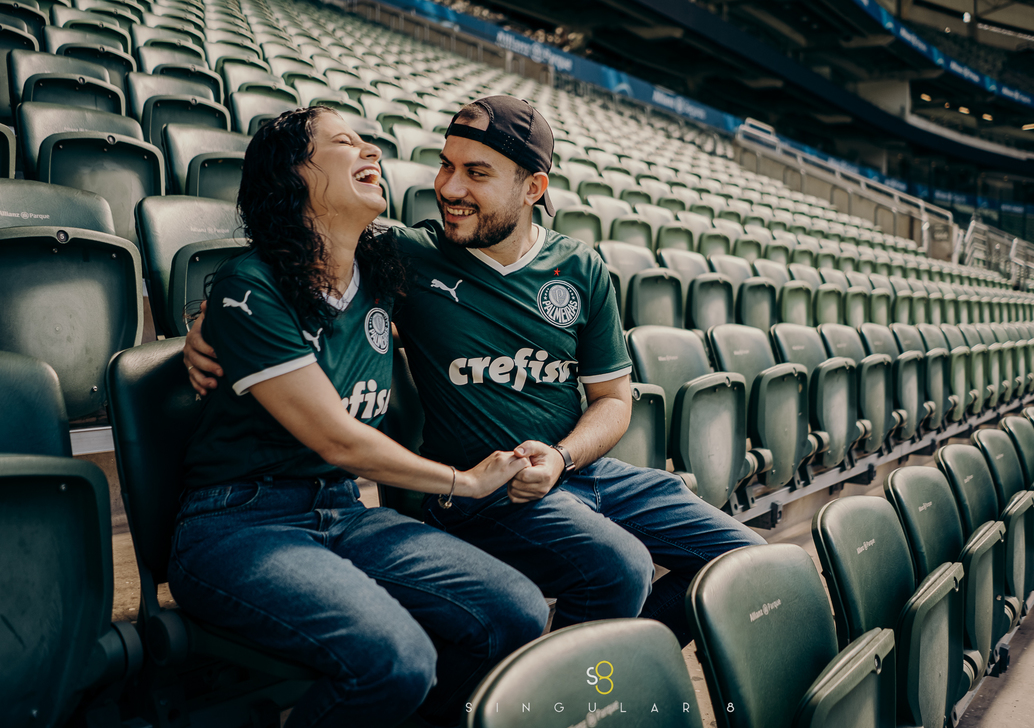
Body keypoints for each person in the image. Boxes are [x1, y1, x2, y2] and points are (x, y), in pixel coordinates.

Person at [185, 96, 764, 649]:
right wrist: (202, 322)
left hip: (582, 469)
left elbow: (613, 398)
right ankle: (568, 700)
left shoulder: (580, 266)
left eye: (476, 173)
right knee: (618, 568)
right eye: (445, 166)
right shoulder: (405, 254)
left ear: (533, 188)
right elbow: (293, 259)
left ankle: (613, 678)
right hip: (486, 486)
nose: (449, 189)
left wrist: (564, 457)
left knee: (746, 562)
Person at [171, 106, 548, 728]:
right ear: (294, 176)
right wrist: (465, 481)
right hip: (240, 524)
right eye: (347, 142)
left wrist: (203, 318)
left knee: (516, 611)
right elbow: (338, 438)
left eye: (369, 140)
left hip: (343, 509)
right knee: (396, 660)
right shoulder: (250, 287)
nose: (371, 150)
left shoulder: (379, 273)